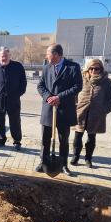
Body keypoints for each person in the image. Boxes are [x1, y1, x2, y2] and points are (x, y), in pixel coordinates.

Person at [37, 44, 83, 176]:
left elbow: (77, 86)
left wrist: (59, 97)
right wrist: (48, 97)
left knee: (64, 140)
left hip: (64, 110)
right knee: (45, 139)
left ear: (56, 54)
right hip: (48, 109)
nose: (46, 56)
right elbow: (40, 86)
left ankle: (63, 165)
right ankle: (43, 162)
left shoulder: (73, 67)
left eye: (48, 54)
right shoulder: (46, 67)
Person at [71, 58, 111, 168]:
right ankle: (75, 156)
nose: (94, 71)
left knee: (91, 138)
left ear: (101, 69)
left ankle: (88, 159)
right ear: (88, 69)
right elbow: (74, 94)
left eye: (97, 68)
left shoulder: (106, 82)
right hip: (80, 113)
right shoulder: (81, 79)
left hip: (96, 115)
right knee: (77, 136)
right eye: (91, 68)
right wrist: (74, 106)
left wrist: (104, 110)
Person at [0, 46, 27, 150]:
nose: (3, 58)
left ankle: (17, 141)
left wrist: (18, 93)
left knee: (15, 121)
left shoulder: (18, 66)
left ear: (9, 55)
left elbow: (23, 82)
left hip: (13, 100)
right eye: (1, 56)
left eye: (5, 56)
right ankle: (0, 140)